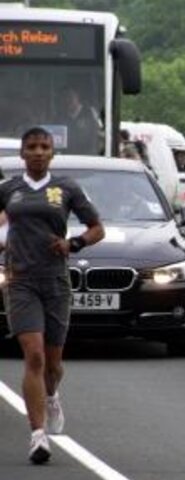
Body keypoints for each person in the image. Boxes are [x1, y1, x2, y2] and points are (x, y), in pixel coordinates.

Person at [0, 127, 104, 464]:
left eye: (45, 146)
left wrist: (73, 243)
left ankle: (52, 394)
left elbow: (97, 229)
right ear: (22, 154)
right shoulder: (9, 190)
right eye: (32, 147)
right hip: (21, 283)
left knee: (53, 363)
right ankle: (38, 436)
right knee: (33, 357)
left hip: (55, 282)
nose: (39, 152)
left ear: (53, 153)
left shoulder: (67, 188)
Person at [60, 86, 100, 155]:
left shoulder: (90, 112)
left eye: (70, 97)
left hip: (87, 157)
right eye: (64, 97)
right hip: (67, 157)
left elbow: (98, 135)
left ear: (77, 97)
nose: (67, 100)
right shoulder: (61, 116)